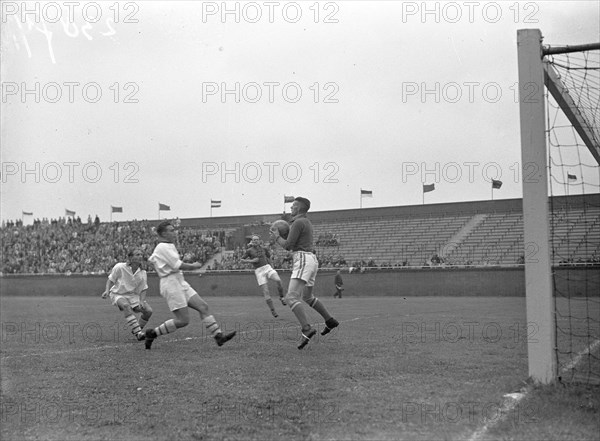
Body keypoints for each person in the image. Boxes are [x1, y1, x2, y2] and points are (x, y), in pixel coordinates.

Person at [144, 221, 236, 350]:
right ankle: (152, 333)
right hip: (170, 283)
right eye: (171, 230)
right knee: (183, 321)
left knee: (203, 307)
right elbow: (177, 265)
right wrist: (194, 266)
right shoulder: (162, 247)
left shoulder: (168, 246)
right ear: (164, 233)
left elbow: (156, 260)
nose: (174, 232)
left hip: (179, 280)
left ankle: (218, 337)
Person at [270, 197, 339, 349]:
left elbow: (288, 245)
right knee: (307, 297)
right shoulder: (306, 222)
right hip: (311, 259)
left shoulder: (298, 222)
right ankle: (329, 320)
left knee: (291, 297)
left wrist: (276, 237)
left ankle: (307, 329)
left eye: (293, 206)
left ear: (300, 209)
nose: (291, 208)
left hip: (302, 258)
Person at [101, 248, 152, 341]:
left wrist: (141, 301)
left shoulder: (143, 272)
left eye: (141, 254)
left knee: (148, 311)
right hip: (117, 294)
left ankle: (137, 330)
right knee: (125, 306)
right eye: (137, 254)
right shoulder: (120, 267)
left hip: (132, 296)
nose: (140, 256)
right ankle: (139, 334)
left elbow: (144, 288)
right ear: (130, 257)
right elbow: (110, 279)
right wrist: (107, 291)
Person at [240, 235, 286, 318]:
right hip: (259, 271)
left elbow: (269, 257)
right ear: (252, 241)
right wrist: (251, 261)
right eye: (254, 240)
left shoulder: (264, 248)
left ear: (259, 241)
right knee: (266, 291)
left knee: (278, 280)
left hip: (267, 267)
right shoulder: (249, 250)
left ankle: (281, 297)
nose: (255, 241)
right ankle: (273, 310)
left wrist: (271, 265)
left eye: (257, 240)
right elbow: (241, 260)